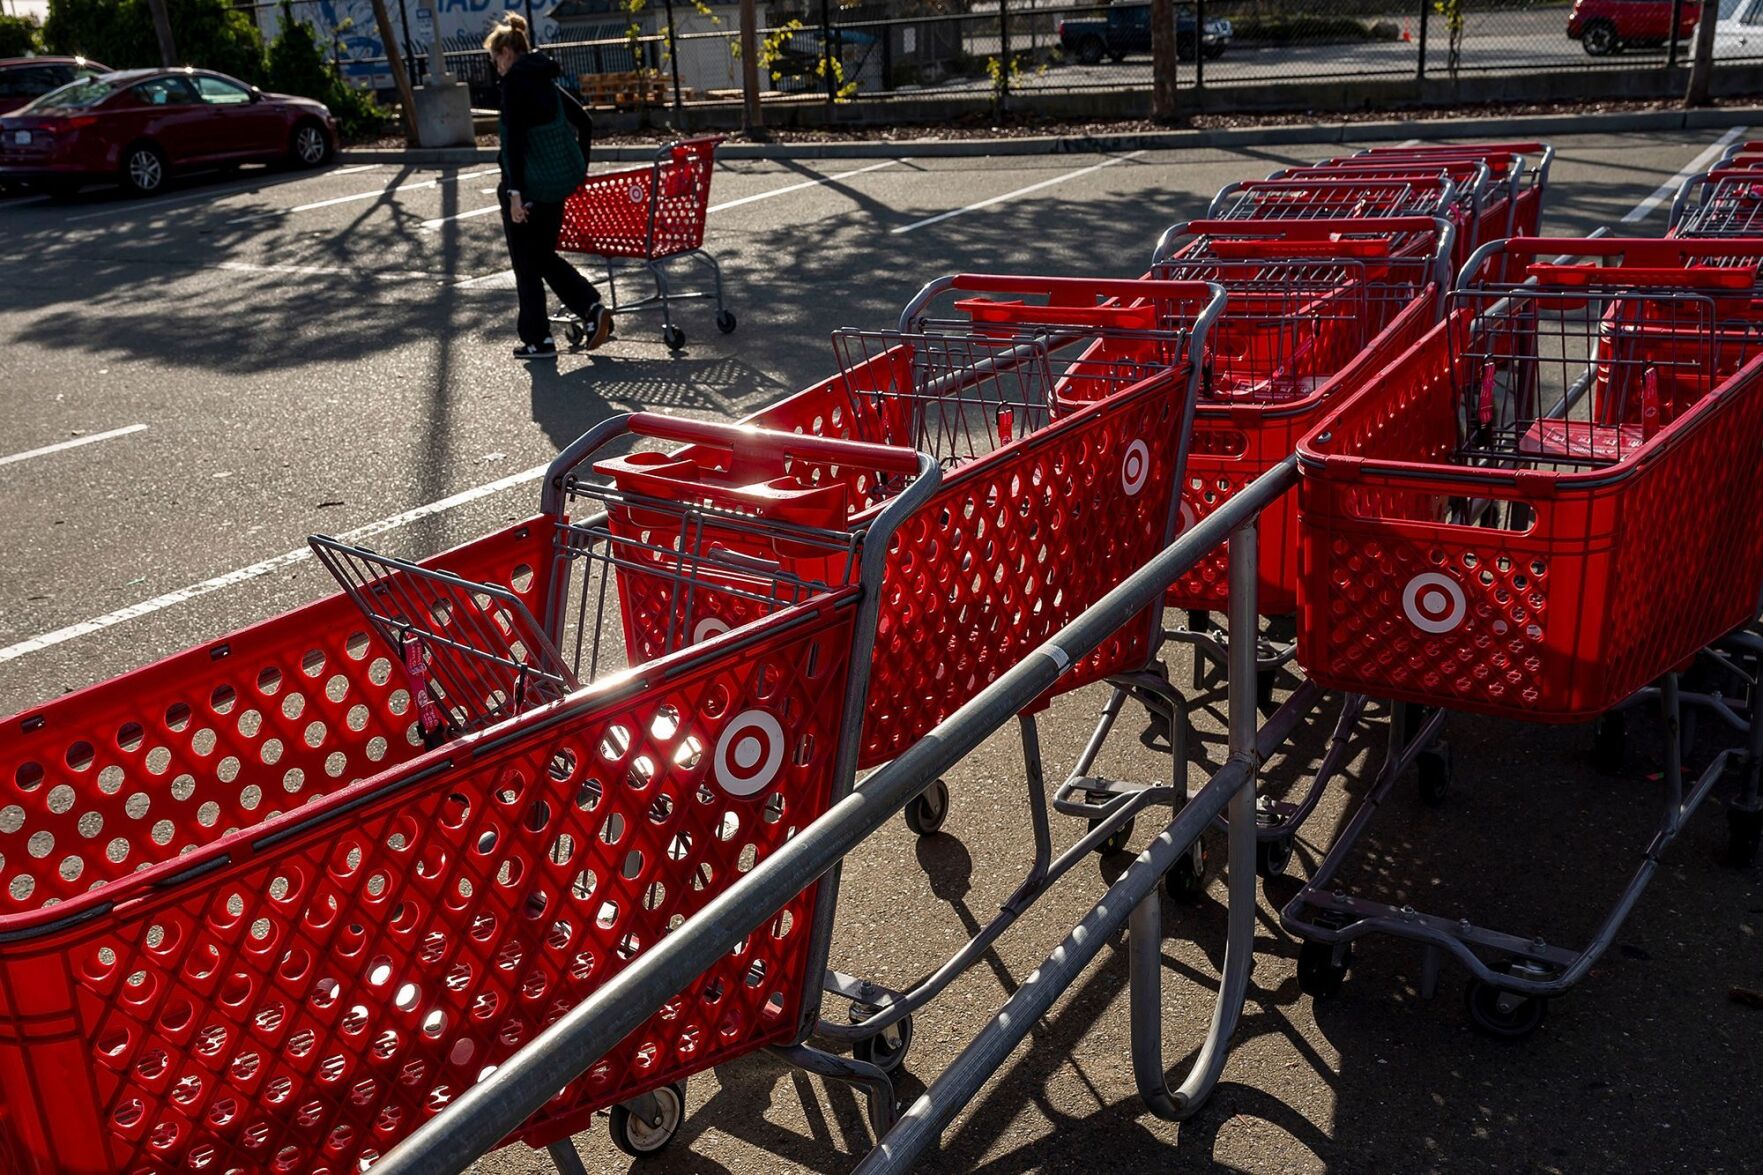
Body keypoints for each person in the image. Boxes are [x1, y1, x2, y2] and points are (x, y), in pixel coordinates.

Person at [485, 15, 612, 360]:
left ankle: (539, 339)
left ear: (508, 52)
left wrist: (514, 194)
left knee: (527, 266)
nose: (495, 65)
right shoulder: (546, 81)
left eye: (496, 57)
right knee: (541, 257)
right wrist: (579, 170)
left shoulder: (513, 85)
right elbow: (584, 122)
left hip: (527, 190)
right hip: (556, 186)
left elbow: (512, 143)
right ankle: (590, 309)